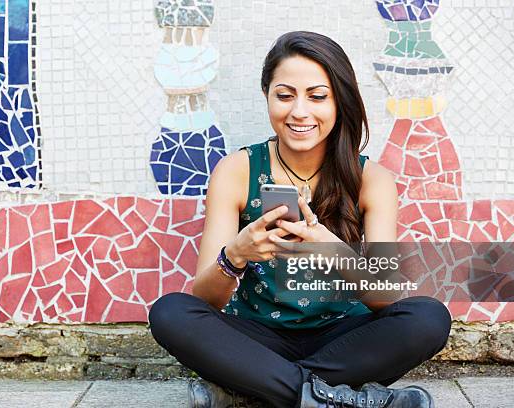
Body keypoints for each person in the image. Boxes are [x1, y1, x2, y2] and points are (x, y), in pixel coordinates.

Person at [148, 31, 451, 408]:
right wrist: (235, 255)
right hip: (257, 337)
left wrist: (331, 250)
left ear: (340, 100)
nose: (299, 112)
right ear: (267, 96)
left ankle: (255, 391)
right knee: (171, 312)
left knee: (427, 318)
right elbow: (204, 299)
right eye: (285, 95)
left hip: (345, 340)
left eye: (317, 96)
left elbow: (385, 296)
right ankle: (334, 397)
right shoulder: (237, 170)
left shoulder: (372, 180)